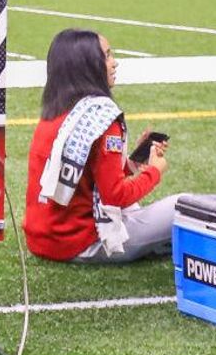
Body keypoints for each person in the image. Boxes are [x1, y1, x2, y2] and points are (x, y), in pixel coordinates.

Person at [24, 29, 179, 263]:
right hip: (81, 243)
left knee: (137, 208)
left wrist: (133, 163)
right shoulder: (102, 118)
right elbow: (115, 196)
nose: (114, 63)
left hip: (42, 239)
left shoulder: (54, 114)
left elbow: (86, 180)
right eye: (107, 56)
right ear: (87, 67)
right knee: (182, 205)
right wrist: (154, 171)